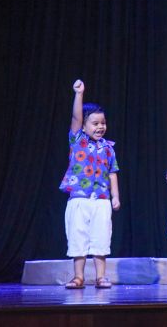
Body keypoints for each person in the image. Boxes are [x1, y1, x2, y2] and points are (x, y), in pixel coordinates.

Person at [59, 79, 120, 289]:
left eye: (103, 123)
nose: (100, 127)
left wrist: (115, 196)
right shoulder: (78, 140)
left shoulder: (109, 148)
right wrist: (79, 94)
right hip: (79, 199)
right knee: (78, 238)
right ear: (84, 126)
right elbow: (76, 116)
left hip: (102, 200)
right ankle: (78, 277)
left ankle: (101, 276)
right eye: (95, 123)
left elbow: (113, 173)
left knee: (101, 238)